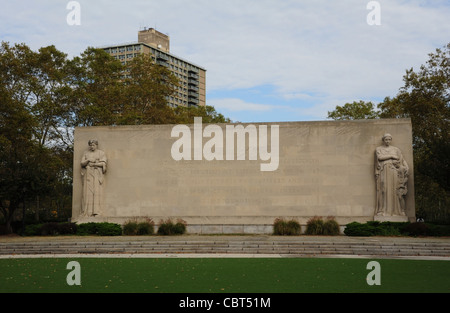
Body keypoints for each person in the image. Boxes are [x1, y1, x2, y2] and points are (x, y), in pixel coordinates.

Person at [375, 134, 409, 216]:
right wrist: (391, 156)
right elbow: (379, 157)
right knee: (383, 189)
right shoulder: (378, 149)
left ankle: (396, 211)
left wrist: (406, 167)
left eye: (389, 139)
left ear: (391, 140)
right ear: (383, 140)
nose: (387, 141)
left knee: (395, 190)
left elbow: (401, 159)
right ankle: (382, 210)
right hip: (384, 170)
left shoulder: (396, 149)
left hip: (394, 171)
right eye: (386, 139)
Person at [81, 139, 107, 217]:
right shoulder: (86, 153)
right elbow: (82, 163)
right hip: (88, 174)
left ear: (96, 145)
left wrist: (95, 164)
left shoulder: (101, 153)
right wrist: (88, 160)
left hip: (96, 174)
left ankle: (96, 212)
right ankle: (87, 212)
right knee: (87, 193)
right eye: (91, 145)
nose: (92, 146)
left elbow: (103, 163)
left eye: (93, 145)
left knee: (96, 192)